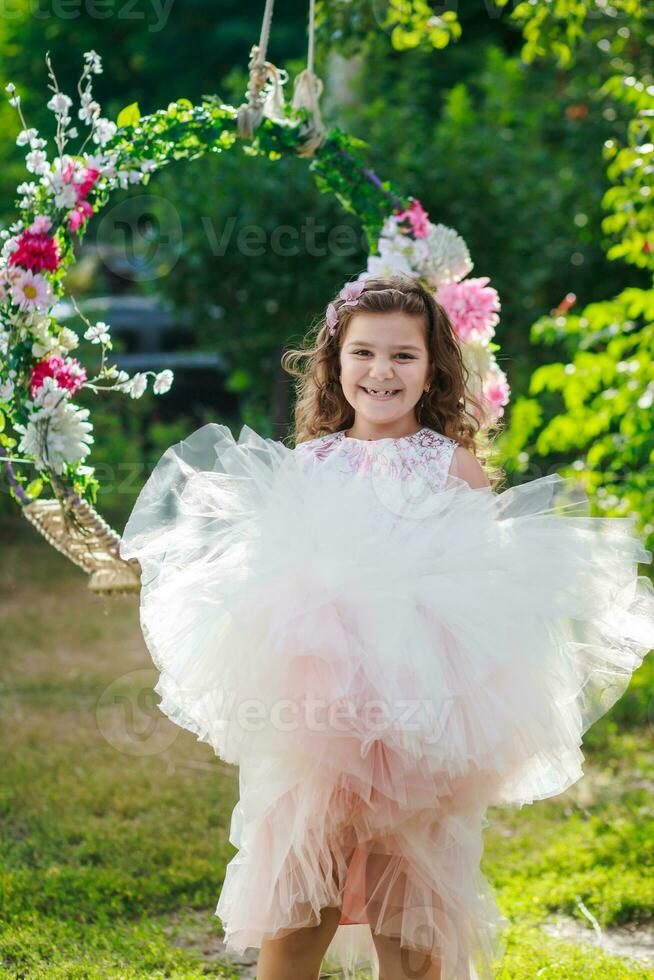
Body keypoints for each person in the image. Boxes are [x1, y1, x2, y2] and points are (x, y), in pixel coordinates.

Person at [120, 273, 654, 980]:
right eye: (363, 353)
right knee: (300, 898)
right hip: (320, 721)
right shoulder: (310, 464)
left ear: (432, 369)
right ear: (335, 365)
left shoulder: (452, 467)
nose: (381, 372)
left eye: (403, 356)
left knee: (414, 914)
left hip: (422, 725)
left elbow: (484, 596)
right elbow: (272, 579)